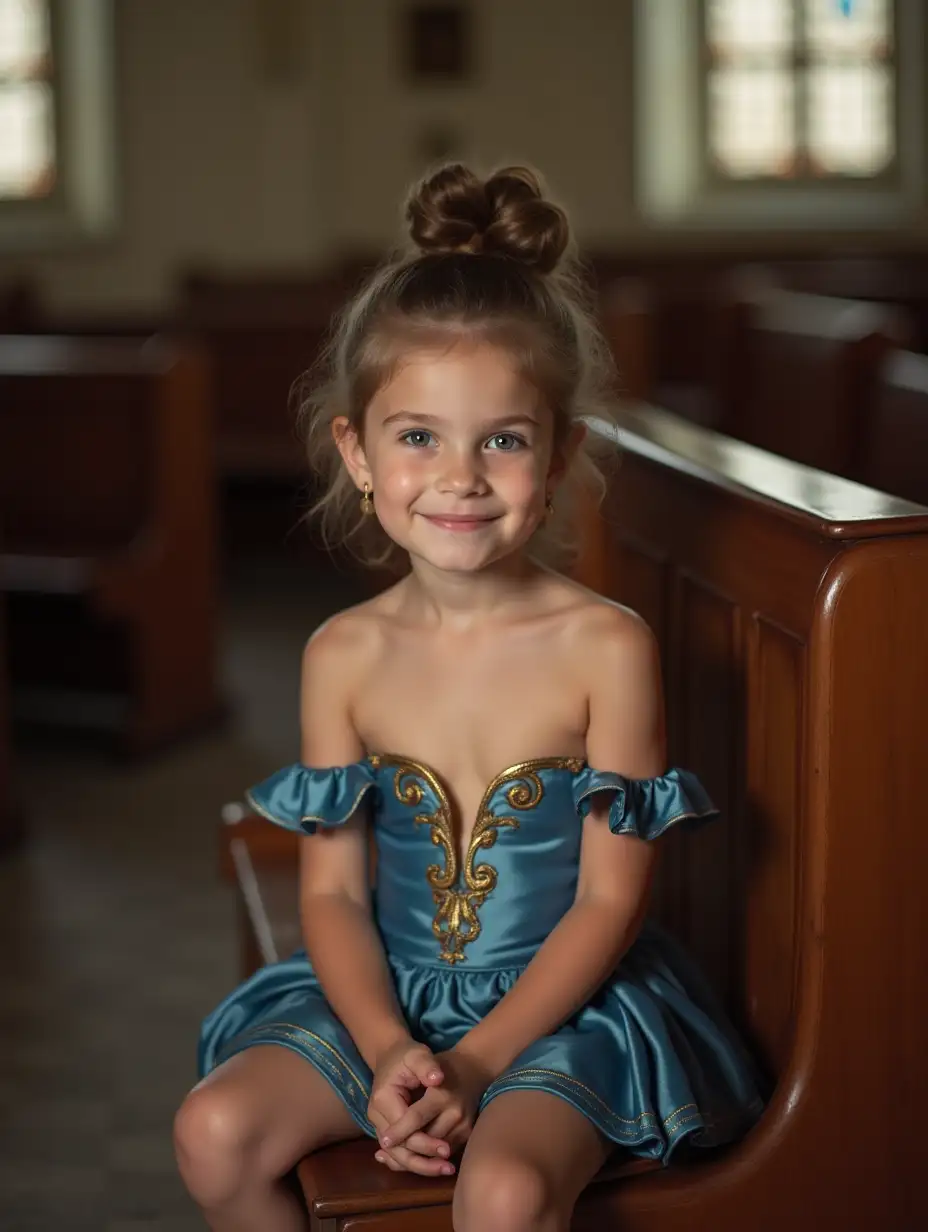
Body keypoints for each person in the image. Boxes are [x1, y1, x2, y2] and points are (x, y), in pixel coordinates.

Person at [174, 163, 764, 1232]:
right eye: (417, 437)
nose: (461, 475)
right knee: (214, 1128)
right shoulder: (340, 654)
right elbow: (334, 897)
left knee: (499, 1190)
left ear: (561, 451)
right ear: (356, 451)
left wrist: (478, 1059)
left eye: (503, 436)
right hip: (384, 996)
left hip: (560, 1010)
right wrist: (393, 1047)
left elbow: (606, 900)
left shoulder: (604, 647)